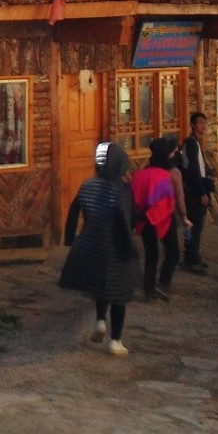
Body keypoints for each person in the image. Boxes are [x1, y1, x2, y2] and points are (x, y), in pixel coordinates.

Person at [59, 141, 140, 354]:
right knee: (119, 293)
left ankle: (100, 321)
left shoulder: (88, 185)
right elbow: (126, 220)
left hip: (90, 244)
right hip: (115, 246)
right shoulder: (121, 190)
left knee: (101, 285)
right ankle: (116, 340)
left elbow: (74, 211)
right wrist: (130, 248)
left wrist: (69, 239)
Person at [132, 134, 185, 301]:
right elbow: (169, 201)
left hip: (144, 220)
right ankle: (162, 283)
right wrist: (183, 216)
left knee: (151, 255)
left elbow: (133, 198)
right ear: (167, 156)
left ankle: (149, 288)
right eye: (172, 152)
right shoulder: (167, 176)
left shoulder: (140, 174)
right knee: (173, 252)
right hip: (162, 219)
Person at [180, 111, 215, 274]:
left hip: (195, 187)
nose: (203, 126)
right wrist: (202, 192)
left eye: (204, 123)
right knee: (195, 225)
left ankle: (193, 255)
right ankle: (191, 259)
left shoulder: (195, 143)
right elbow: (193, 169)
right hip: (194, 190)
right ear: (193, 125)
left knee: (195, 225)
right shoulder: (192, 143)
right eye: (200, 123)